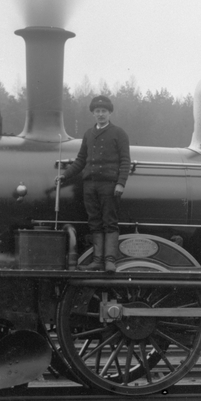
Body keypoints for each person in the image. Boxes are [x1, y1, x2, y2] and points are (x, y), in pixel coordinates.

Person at [55, 95, 131, 271]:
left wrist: (121, 183)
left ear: (110, 113)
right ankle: (97, 261)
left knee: (110, 222)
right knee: (94, 222)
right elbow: (81, 160)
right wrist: (65, 176)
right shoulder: (88, 134)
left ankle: (110, 261)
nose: (100, 114)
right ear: (93, 113)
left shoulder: (119, 133)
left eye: (104, 111)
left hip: (109, 185)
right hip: (89, 185)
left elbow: (125, 161)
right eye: (97, 111)